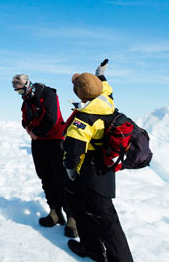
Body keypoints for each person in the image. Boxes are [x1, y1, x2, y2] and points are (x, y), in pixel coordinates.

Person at [63, 60, 134, 262]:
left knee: (105, 218)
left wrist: (70, 170)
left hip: (89, 172)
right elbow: (106, 88)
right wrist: (100, 75)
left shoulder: (84, 119)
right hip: (104, 168)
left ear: (80, 94)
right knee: (80, 206)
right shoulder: (105, 101)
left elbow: (73, 151)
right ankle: (91, 247)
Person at [11, 74, 77, 238]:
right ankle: (55, 212)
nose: (20, 95)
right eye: (17, 92)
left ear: (27, 85)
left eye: (20, 91)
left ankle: (72, 218)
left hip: (55, 142)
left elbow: (52, 118)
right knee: (45, 177)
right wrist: (29, 130)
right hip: (39, 142)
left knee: (62, 178)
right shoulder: (26, 100)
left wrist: (36, 133)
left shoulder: (47, 94)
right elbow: (24, 119)